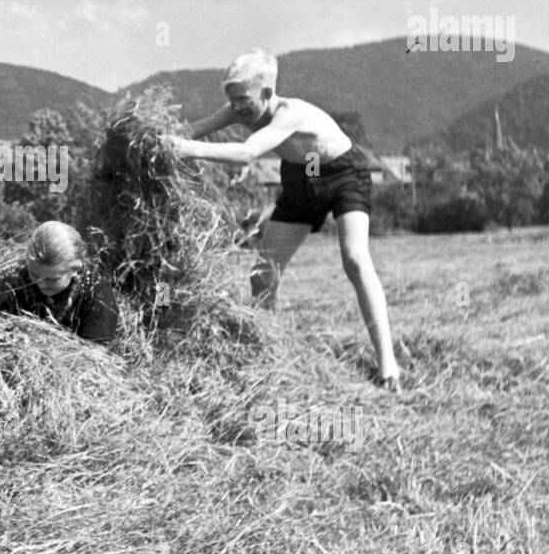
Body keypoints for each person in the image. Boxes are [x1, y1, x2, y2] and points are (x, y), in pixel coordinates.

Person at [164, 49, 402, 389]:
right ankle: (266, 353)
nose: (236, 108)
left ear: (266, 93)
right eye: (231, 100)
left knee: (354, 259)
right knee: (262, 274)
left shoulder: (289, 113)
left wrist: (182, 148)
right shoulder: (239, 107)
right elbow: (195, 130)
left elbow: (247, 150)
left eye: (243, 100)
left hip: (343, 174)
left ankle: (388, 365)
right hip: (300, 176)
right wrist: (157, 138)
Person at [0, 221, 120, 344]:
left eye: (52, 279)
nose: (40, 284)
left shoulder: (97, 295)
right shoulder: (13, 282)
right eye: (34, 274)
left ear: (75, 268)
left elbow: (95, 356)